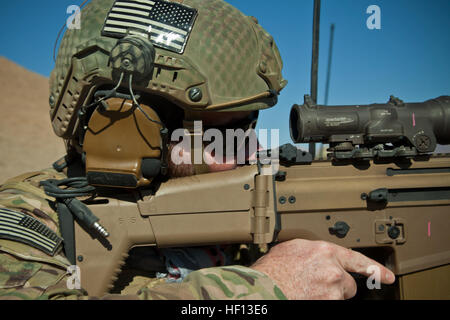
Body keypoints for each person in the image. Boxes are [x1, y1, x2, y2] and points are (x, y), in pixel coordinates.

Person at [0, 0, 394, 300]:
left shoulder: (240, 227)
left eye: (251, 125)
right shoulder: (26, 221)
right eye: (228, 131)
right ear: (128, 128)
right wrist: (264, 289)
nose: (252, 148)